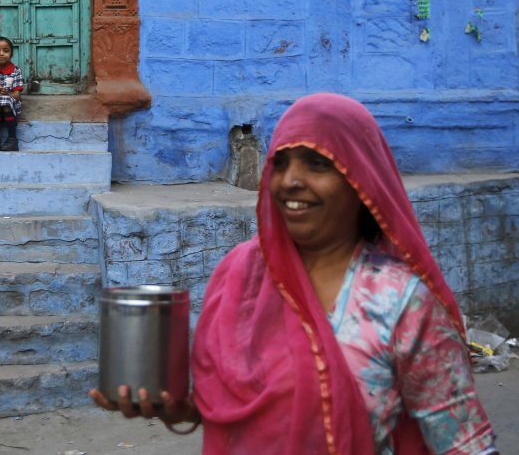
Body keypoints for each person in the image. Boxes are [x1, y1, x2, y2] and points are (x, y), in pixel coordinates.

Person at [91, 93, 498, 454]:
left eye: (317, 164)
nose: (290, 181)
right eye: (280, 164)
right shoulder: (238, 274)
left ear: (360, 181)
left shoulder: (400, 302)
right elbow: (233, 404)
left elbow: (464, 443)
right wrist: (175, 407)